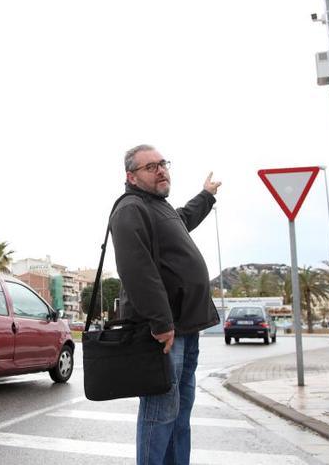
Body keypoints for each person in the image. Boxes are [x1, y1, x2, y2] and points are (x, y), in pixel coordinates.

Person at [109, 144, 221, 465]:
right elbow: (137, 270)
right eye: (150, 167)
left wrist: (206, 196)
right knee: (159, 414)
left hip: (185, 327)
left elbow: (184, 218)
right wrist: (161, 323)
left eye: (163, 163)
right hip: (165, 332)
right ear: (131, 176)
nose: (161, 170)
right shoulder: (131, 208)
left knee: (179, 413)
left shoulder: (160, 207)